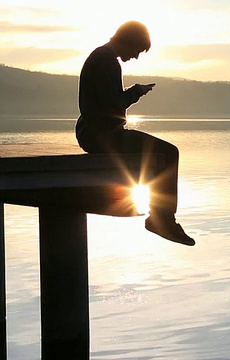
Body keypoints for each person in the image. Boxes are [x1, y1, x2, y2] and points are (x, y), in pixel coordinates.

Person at [75, 20, 195, 246]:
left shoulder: (100, 57)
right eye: (137, 50)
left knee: (153, 152)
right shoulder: (106, 61)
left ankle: (158, 212)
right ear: (128, 41)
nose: (136, 57)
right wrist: (135, 92)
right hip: (102, 136)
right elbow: (113, 105)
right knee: (169, 153)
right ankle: (162, 218)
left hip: (92, 132)